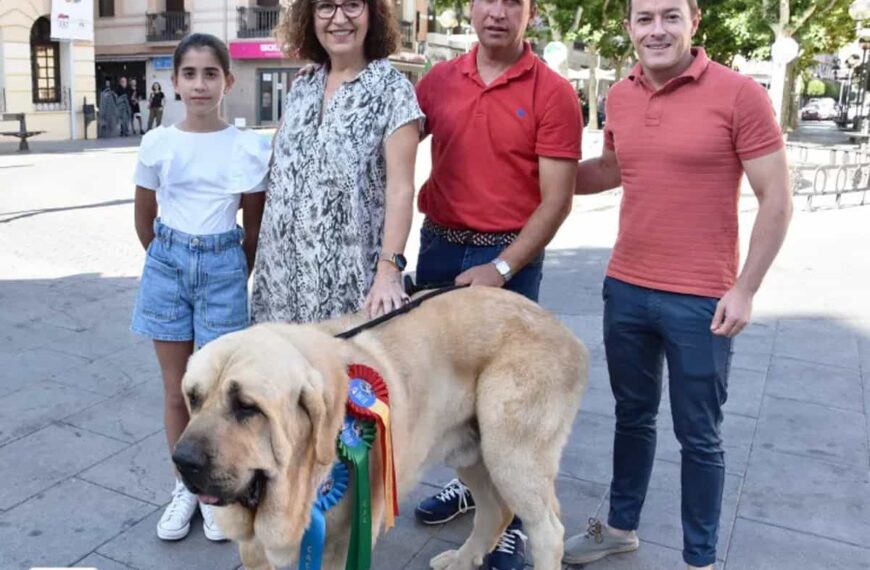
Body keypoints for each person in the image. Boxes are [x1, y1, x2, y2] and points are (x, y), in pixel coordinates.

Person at [562, 1, 792, 569]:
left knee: (700, 436)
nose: (657, 30)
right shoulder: (620, 95)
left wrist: (745, 289)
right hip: (626, 288)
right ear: (629, 28)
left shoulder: (741, 94)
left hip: (702, 299)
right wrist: (536, 175)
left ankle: (700, 558)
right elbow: (611, 169)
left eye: (671, 16)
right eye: (645, 19)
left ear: (694, 22)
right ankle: (620, 528)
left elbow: (777, 198)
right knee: (631, 417)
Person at [410, 0, 581, 567]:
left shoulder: (553, 92)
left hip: (507, 255)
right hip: (439, 248)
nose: (499, 12)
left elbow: (556, 201)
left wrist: (502, 269)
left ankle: (514, 518)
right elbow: (391, 148)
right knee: (450, 397)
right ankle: (474, 490)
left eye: (513, 1)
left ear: (530, 12)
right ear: (470, 7)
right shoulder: (438, 81)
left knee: (509, 407)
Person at [129, 33, 270, 544]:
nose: (200, 84)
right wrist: (167, 258)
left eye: (211, 73)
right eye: (189, 74)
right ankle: (182, 488)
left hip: (223, 271)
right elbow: (145, 218)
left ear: (227, 81)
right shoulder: (158, 143)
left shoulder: (248, 147)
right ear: (175, 82)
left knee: (214, 394)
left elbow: (252, 228)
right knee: (176, 390)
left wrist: (230, 268)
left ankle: (211, 489)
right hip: (167, 266)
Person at [250, 0, 423, 323]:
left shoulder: (393, 92)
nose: (339, 18)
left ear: (372, 13)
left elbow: (401, 190)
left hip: (346, 289)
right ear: (310, 16)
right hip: (279, 286)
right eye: (326, 6)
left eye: (352, 5)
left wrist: (389, 271)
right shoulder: (302, 87)